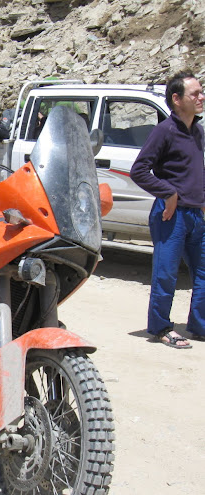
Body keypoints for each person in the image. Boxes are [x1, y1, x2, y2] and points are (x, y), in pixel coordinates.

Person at [130, 70, 205, 349]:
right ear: (176, 99)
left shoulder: (198, 131)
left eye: (201, 91)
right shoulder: (164, 131)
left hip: (196, 215)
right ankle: (161, 327)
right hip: (170, 215)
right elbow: (139, 170)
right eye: (194, 93)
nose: (201, 97)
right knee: (166, 273)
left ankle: (199, 326)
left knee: (203, 272)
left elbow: (199, 170)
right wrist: (168, 193)